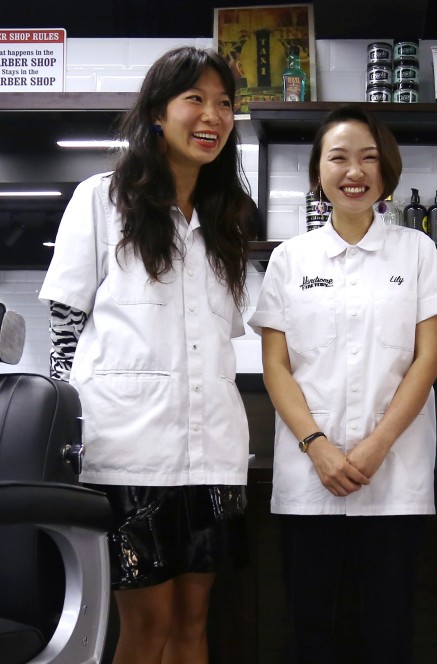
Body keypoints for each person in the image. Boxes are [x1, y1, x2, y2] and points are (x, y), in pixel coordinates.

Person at [38, 46, 253, 664]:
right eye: (196, 99)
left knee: (194, 620)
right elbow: (65, 325)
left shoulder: (225, 221)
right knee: (147, 622)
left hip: (211, 449)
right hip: (129, 450)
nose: (212, 114)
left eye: (224, 104)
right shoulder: (102, 199)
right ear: (159, 111)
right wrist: (66, 431)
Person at [249, 105, 437, 664]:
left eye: (369, 158)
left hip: (394, 475)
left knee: (389, 629)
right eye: (338, 158)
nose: (354, 171)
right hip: (308, 475)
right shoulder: (290, 259)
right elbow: (276, 366)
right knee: (311, 627)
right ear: (318, 172)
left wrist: (376, 444)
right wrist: (317, 447)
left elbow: (426, 359)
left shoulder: (418, 252)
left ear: (386, 171)